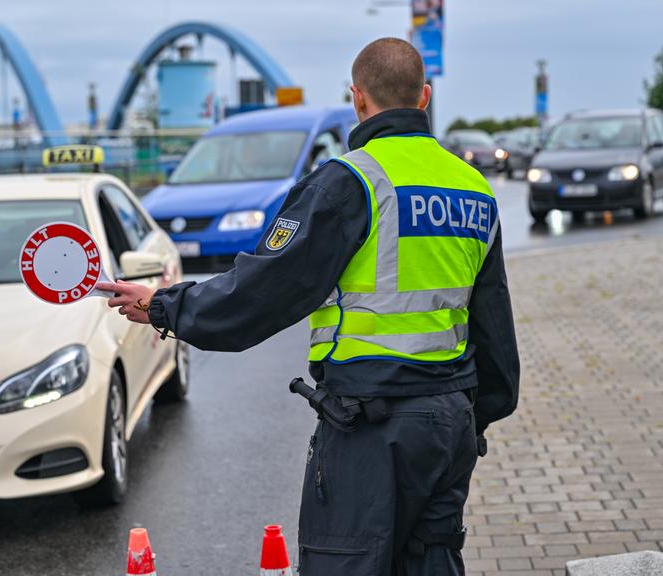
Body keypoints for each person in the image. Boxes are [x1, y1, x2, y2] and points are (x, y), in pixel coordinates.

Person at [98, 37, 519, 576]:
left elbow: (264, 292)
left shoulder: (351, 182)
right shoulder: (473, 187)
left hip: (372, 426)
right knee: (433, 563)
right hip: (449, 421)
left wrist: (165, 306)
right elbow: (495, 324)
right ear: (424, 98)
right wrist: (474, 414)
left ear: (358, 99)